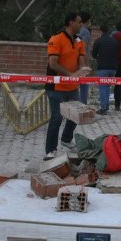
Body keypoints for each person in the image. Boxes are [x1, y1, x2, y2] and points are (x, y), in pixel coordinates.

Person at [41, 12, 86, 160]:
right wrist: (69, 74)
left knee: (75, 115)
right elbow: (53, 63)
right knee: (56, 118)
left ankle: (66, 139)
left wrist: (83, 70)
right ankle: (50, 150)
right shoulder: (56, 39)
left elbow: (82, 60)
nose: (81, 25)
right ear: (71, 23)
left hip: (72, 86)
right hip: (56, 87)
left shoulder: (79, 40)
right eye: (79, 22)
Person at [91, 23, 118, 115]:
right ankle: (106, 106)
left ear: (100, 31)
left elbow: (93, 54)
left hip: (102, 67)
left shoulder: (99, 41)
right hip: (113, 68)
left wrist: (99, 57)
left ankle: (103, 108)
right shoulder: (114, 41)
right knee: (107, 87)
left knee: (102, 87)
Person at [77, 12, 92, 105]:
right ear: (88, 20)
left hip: (75, 59)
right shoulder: (85, 32)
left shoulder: (77, 31)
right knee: (84, 84)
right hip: (82, 61)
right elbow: (83, 49)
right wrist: (87, 65)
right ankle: (83, 104)